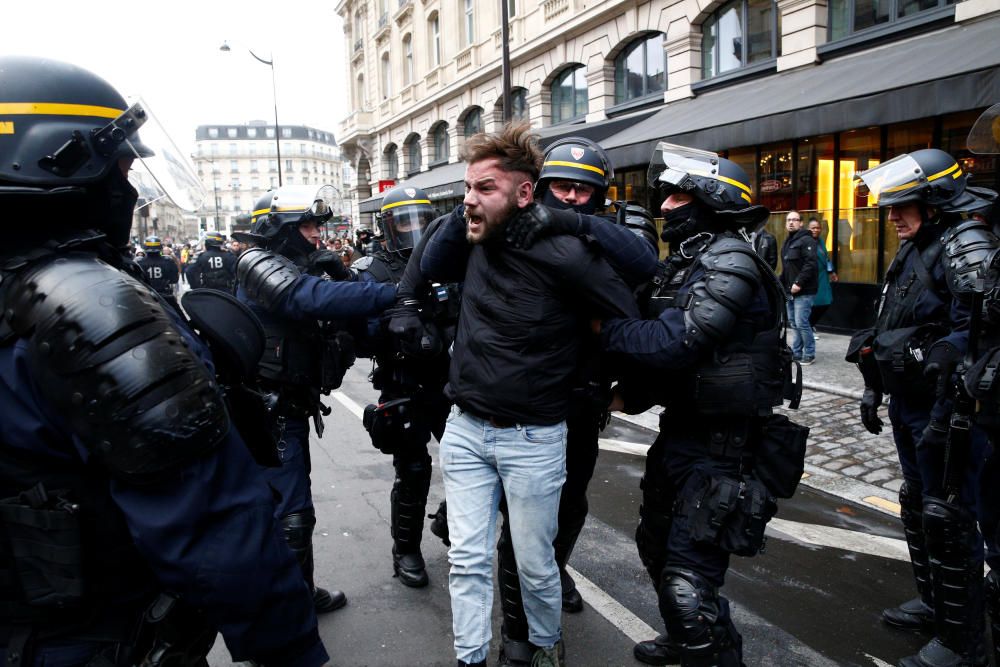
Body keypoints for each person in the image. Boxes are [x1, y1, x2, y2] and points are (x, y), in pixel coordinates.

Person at [0, 55, 330, 667]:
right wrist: (292, 650)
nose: (128, 187)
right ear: (59, 166)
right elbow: (215, 529)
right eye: (121, 166)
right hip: (98, 639)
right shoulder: (87, 309)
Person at [420, 123, 639, 667]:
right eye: (468, 188)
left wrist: (593, 363)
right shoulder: (470, 241)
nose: (470, 199)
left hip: (535, 437)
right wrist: (473, 208)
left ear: (523, 192)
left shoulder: (566, 252)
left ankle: (544, 644)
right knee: (467, 559)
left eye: (484, 189)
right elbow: (426, 267)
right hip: (467, 429)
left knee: (535, 562)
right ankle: (469, 656)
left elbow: (631, 300)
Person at [597, 143, 800, 667]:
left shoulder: (729, 259)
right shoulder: (689, 260)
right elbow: (671, 359)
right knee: (658, 548)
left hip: (724, 447)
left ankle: (705, 648)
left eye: (679, 196)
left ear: (712, 200)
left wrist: (603, 331)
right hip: (682, 433)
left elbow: (675, 342)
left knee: (688, 584)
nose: (666, 206)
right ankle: (700, 643)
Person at [490, 136, 658, 665]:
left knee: (570, 501)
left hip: (581, 398)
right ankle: (518, 633)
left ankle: (555, 567)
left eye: (586, 191)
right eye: (562, 188)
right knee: (518, 520)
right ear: (540, 190)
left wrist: (582, 227)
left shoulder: (602, 232)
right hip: (521, 399)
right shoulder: (513, 232)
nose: (574, 198)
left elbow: (644, 271)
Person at [850, 148, 997, 667]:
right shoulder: (915, 247)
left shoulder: (963, 245)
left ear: (934, 203)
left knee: (949, 516)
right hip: (910, 402)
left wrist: (948, 400)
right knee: (919, 505)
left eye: (904, 205)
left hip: (949, 409)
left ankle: (963, 644)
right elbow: (890, 319)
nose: (892, 216)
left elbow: (976, 332)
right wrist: (874, 384)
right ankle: (937, 604)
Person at [237, 184, 397, 616]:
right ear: (278, 229)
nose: (315, 234)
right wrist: (392, 291)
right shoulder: (257, 263)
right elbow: (306, 298)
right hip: (268, 410)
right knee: (290, 517)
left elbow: (345, 322)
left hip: (288, 406)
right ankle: (287, 615)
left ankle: (292, 599)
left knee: (287, 513)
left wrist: (344, 276)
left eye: (316, 225)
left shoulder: (297, 265)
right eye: (305, 225)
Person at [351, 185, 452, 589]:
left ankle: (449, 521)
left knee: (472, 468)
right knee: (412, 470)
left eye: (421, 220)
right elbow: (358, 339)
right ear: (387, 226)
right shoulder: (373, 271)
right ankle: (405, 549)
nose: (414, 229)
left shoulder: (445, 260)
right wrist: (388, 329)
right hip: (403, 383)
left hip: (448, 383)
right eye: (404, 221)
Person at [781, 210, 818, 365]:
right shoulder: (788, 242)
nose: (791, 222)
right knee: (794, 323)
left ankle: (809, 353)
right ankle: (796, 353)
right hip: (789, 290)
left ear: (801, 223)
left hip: (803, 290)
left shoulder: (806, 240)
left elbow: (810, 264)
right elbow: (787, 268)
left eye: (795, 220)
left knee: (801, 323)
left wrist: (799, 283)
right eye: (788, 220)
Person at [136, 235, 181, 312]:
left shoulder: (139, 262)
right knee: (180, 319)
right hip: (165, 296)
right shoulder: (168, 261)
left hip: (146, 298)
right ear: (160, 247)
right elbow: (174, 280)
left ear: (145, 248)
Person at [808, 218, 838, 334]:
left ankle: (810, 324)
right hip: (813, 277)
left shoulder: (820, 241)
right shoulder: (806, 241)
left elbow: (826, 257)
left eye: (818, 228)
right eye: (813, 228)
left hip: (823, 276)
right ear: (808, 229)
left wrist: (832, 272)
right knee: (815, 303)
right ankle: (808, 326)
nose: (816, 230)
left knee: (826, 301)